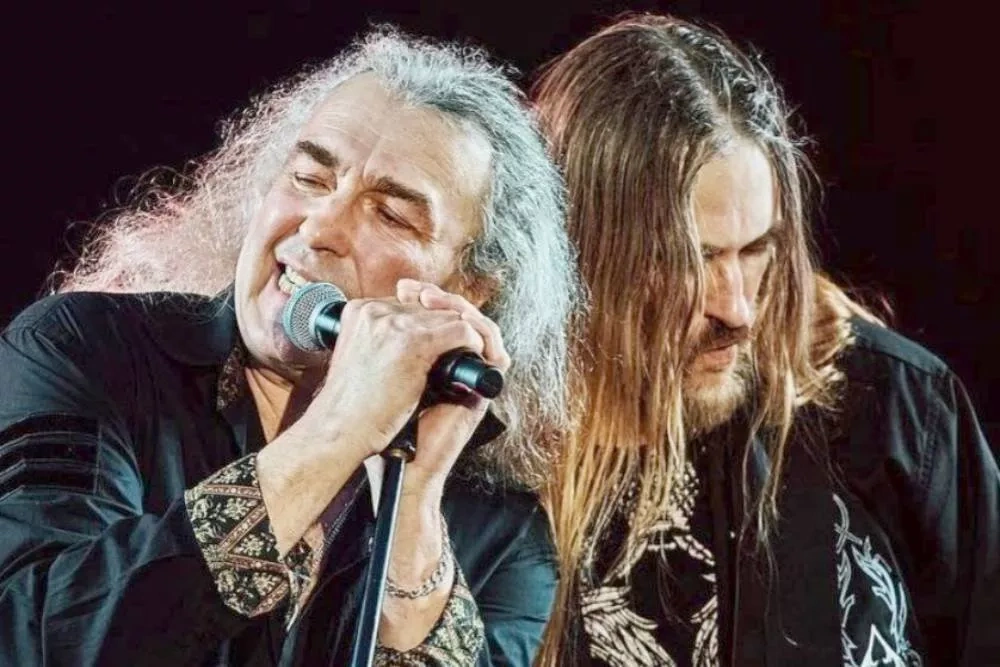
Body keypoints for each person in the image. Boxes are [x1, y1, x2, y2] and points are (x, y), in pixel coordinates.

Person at [0, 27, 579, 666]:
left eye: (391, 215)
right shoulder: (85, 351)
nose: (321, 224)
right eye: (308, 177)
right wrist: (338, 430)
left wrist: (413, 503)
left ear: (467, 289)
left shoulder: (501, 537)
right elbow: (38, 639)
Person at [530, 13, 998, 667]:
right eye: (693, 259)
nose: (738, 309)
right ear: (584, 249)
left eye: (755, 250)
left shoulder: (888, 404)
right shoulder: (495, 452)